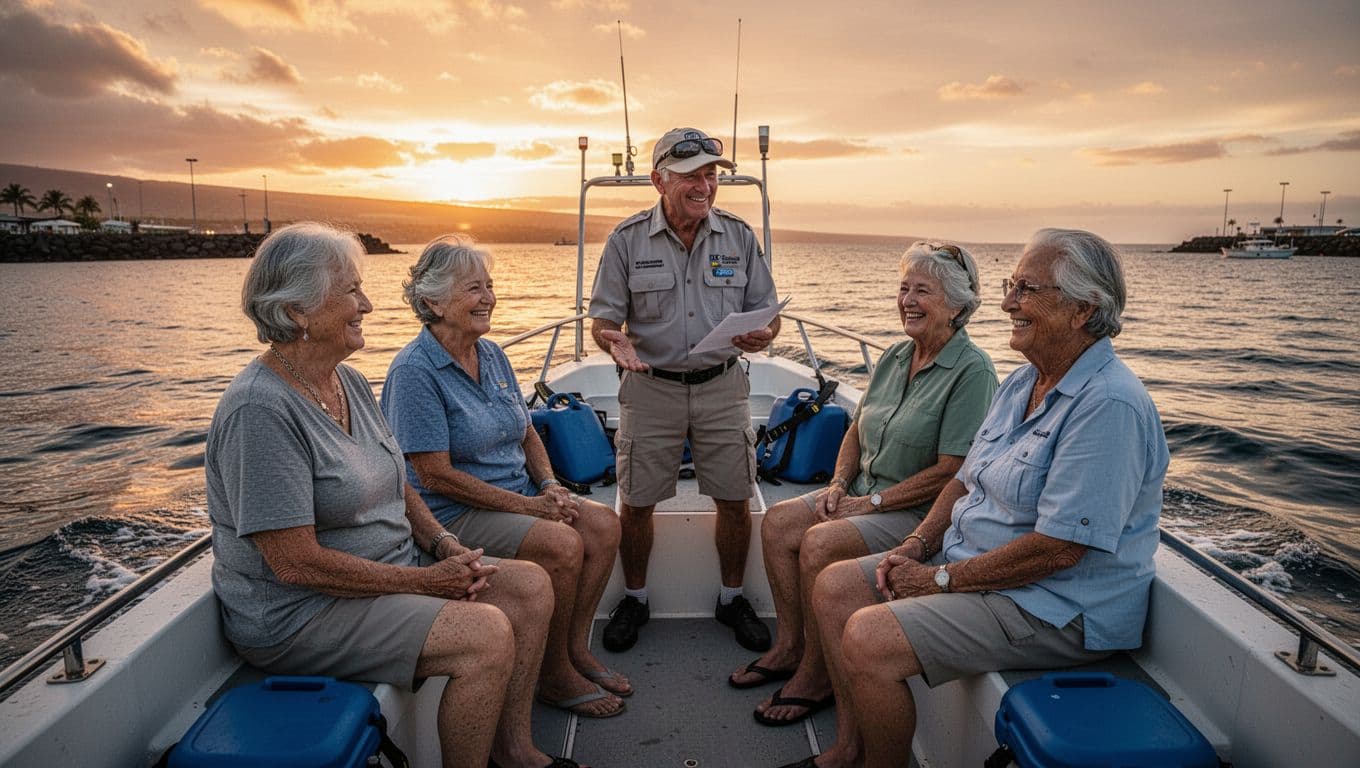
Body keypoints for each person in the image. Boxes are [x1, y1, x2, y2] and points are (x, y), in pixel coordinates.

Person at [786, 228, 1169, 768]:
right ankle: (849, 747)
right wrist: (919, 546)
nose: (1009, 301)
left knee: (869, 637)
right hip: (980, 568)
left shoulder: (1108, 406)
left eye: (1027, 289)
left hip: (1054, 606)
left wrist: (939, 579)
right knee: (835, 584)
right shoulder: (1023, 383)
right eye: (1012, 284)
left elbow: (1058, 551)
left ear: (1082, 309)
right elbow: (964, 480)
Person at [207, 223, 583, 768]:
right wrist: (425, 582)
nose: (369, 304)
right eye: (350, 292)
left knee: (527, 585)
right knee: (485, 633)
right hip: (302, 614)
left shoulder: (350, 383)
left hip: (388, 570)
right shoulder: (259, 410)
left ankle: (515, 751)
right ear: (297, 313)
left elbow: (399, 483)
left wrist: (444, 545)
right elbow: (294, 564)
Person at [733, 242, 998, 728]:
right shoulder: (897, 355)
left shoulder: (973, 371)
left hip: (918, 511)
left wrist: (869, 503)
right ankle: (792, 647)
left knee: (818, 541)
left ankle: (817, 677)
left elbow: (952, 471)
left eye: (923, 291)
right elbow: (856, 428)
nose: (907, 300)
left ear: (958, 305)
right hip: (862, 492)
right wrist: (838, 483)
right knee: (779, 521)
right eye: (903, 288)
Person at [381, 236, 628, 719]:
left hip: (517, 496)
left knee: (603, 525)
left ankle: (574, 649)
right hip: (456, 512)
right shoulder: (414, 372)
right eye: (474, 288)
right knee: (562, 544)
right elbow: (435, 475)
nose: (489, 298)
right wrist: (532, 508)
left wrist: (550, 485)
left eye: (489, 286)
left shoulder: (491, 353)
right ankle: (554, 677)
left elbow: (526, 431)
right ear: (432, 302)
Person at [588, 127, 781, 653]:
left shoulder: (740, 236)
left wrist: (766, 334)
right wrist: (614, 344)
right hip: (651, 388)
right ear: (658, 180)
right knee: (637, 501)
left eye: (711, 174)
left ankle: (732, 596)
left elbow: (770, 316)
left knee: (736, 498)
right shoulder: (626, 241)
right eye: (691, 175)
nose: (705, 185)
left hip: (722, 387)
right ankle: (635, 597)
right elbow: (602, 321)